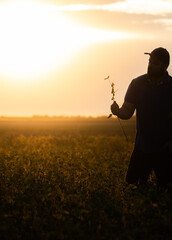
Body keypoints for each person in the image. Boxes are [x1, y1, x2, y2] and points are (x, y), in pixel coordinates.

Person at [111, 47, 172, 187]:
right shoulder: (137, 84)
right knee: (131, 185)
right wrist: (117, 112)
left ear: (164, 66)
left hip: (166, 149)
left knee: (166, 189)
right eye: (149, 61)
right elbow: (127, 111)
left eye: (155, 63)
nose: (150, 65)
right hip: (142, 147)